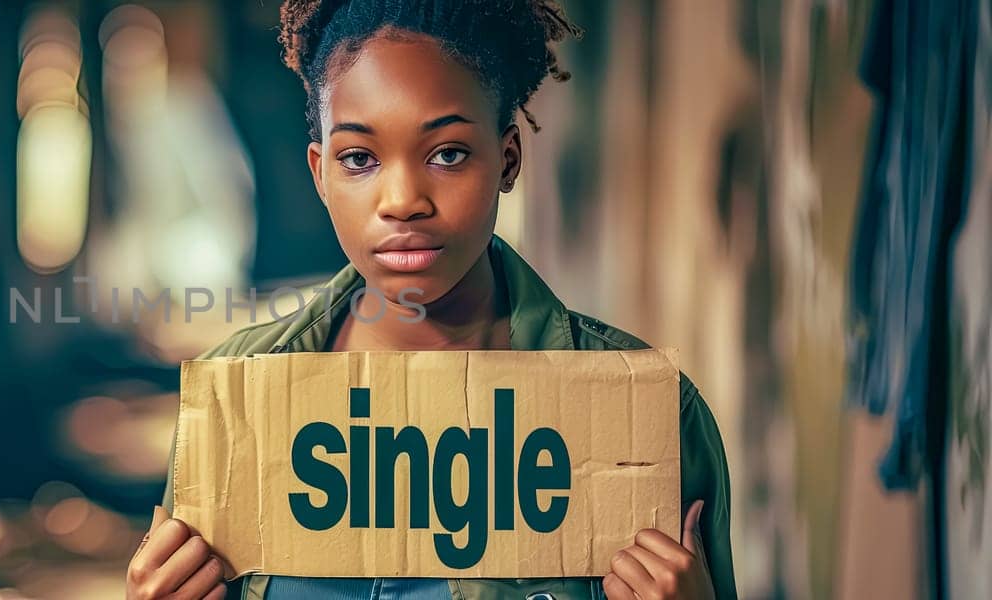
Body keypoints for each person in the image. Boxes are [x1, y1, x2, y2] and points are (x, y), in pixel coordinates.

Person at [125, 1, 736, 598]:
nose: (403, 200)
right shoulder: (236, 396)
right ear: (321, 174)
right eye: (359, 159)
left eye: (447, 153)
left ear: (508, 159)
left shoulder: (645, 412)